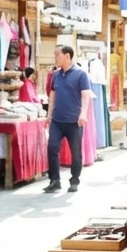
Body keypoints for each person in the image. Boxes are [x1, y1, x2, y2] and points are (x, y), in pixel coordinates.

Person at [44, 45, 92, 193]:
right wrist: (49, 115)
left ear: (67, 56)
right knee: (52, 148)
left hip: (74, 121)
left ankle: (74, 180)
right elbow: (52, 95)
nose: (55, 58)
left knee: (76, 153)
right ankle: (54, 180)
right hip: (57, 120)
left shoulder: (81, 74)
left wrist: (83, 114)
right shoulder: (55, 75)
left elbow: (85, 95)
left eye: (57, 55)